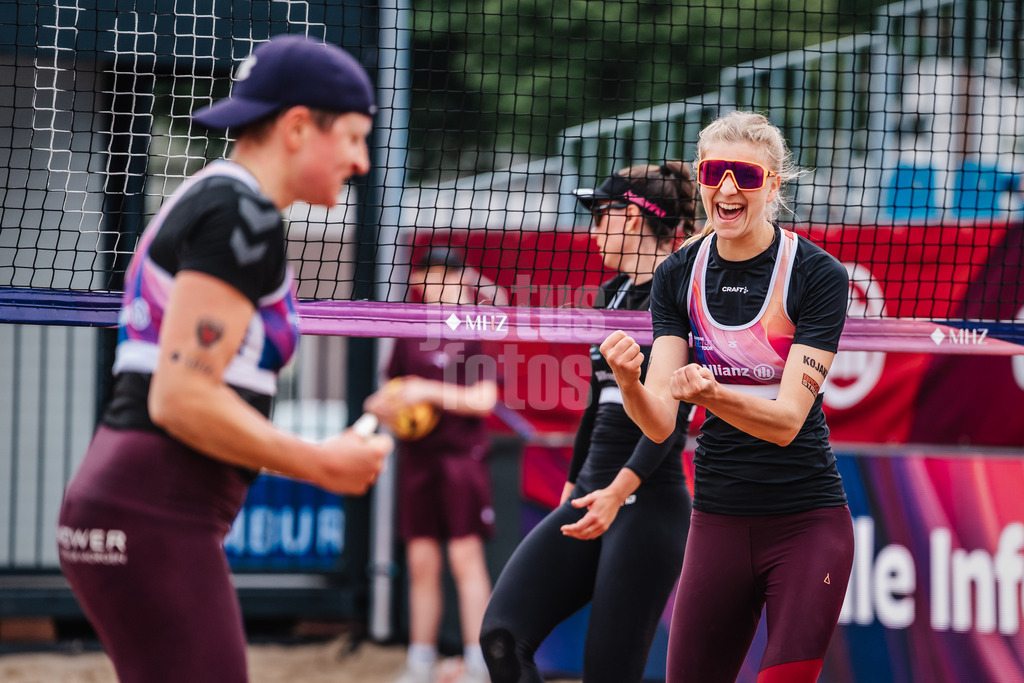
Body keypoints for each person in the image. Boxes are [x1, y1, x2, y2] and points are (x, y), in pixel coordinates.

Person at [56, 35, 393, 683]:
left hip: (129, 507)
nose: (361, 160)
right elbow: (180, 398)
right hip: (152, 514)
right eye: (353, 137)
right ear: (298, 127)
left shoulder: (216, 197)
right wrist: (322, 463)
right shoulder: (241, 215)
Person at [600, 111, 855, 683]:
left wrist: (713, 395)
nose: (729, 188)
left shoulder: (816, 274)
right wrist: (629, 383)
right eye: (715, 173)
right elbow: (660, 423)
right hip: (718, 518)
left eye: (747, 175)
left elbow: (787, 422)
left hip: (807, 522)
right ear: (701, 176)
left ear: (773, 185)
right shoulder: (677, 273)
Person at [479, 163, 697, 683]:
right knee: (502, 638)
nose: (593, 227)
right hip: (591, 494)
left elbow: (670, 422)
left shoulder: (682, 296)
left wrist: (617, 492)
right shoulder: (611, 295)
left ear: (634, 217)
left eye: (600, 214)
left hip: (646, 505)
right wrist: (574, 486)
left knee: (607, 673)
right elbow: (598, 407)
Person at [365, 248, 503, 683]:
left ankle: (478, 662)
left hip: (462, 459)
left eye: (447, 274)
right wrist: (379, 406)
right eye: (430, 275)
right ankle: (420, 661)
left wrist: (427, 391)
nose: (439, 283)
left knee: (465, 559)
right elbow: (390, 393)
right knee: (421, 562)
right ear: (418, 282)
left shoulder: (475, 329)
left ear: (462, 279)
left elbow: (484, 400)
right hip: (417, 460)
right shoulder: (409, 330)